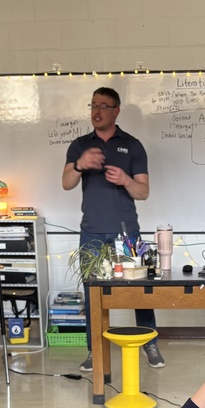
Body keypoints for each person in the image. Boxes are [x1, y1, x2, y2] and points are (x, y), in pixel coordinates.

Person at [62, 87, 164, 372]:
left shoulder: (132, 145)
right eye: (93, 105)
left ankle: (150, 343)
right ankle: (95, 351)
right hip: (92, 232)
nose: (96, 111)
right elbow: (66, 183)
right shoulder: (80, 145)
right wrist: (80, 165)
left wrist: (125, 180)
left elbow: (143, 192)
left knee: (140, 290)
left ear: (116, 111)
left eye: (103, 106)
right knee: (92, 292)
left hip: (126, 232)